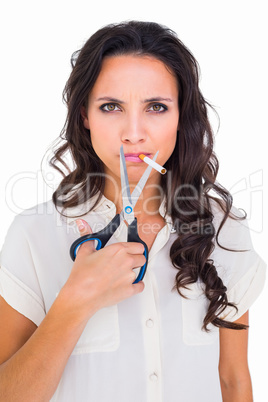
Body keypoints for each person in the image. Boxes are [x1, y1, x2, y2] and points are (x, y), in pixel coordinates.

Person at [0, 21, 266, 402]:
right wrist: (75, 301)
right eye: (111, 107)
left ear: (181, 117)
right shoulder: (34, 235)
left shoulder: (226, 230)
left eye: (156, 107)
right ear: (84, 117)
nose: (134, 133)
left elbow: (233, 381)